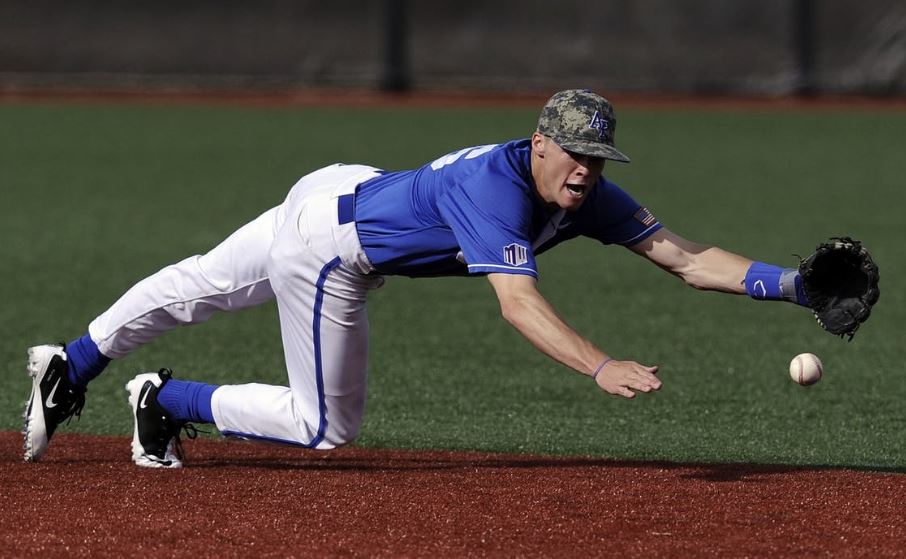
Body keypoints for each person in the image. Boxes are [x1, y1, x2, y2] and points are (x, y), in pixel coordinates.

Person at [23, 89, 809, 468]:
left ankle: (74, 360)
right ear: (539, 142)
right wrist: (599, 364)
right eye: (572, 152)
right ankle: (161, 401)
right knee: (323, 426)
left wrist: (797, 284)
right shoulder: (499, 193)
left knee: (199, 284)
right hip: (333, 245)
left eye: (597, 158)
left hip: (335, 190)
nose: (585, 170)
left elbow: (686, 257)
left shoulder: (582, 195)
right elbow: (518, 302)